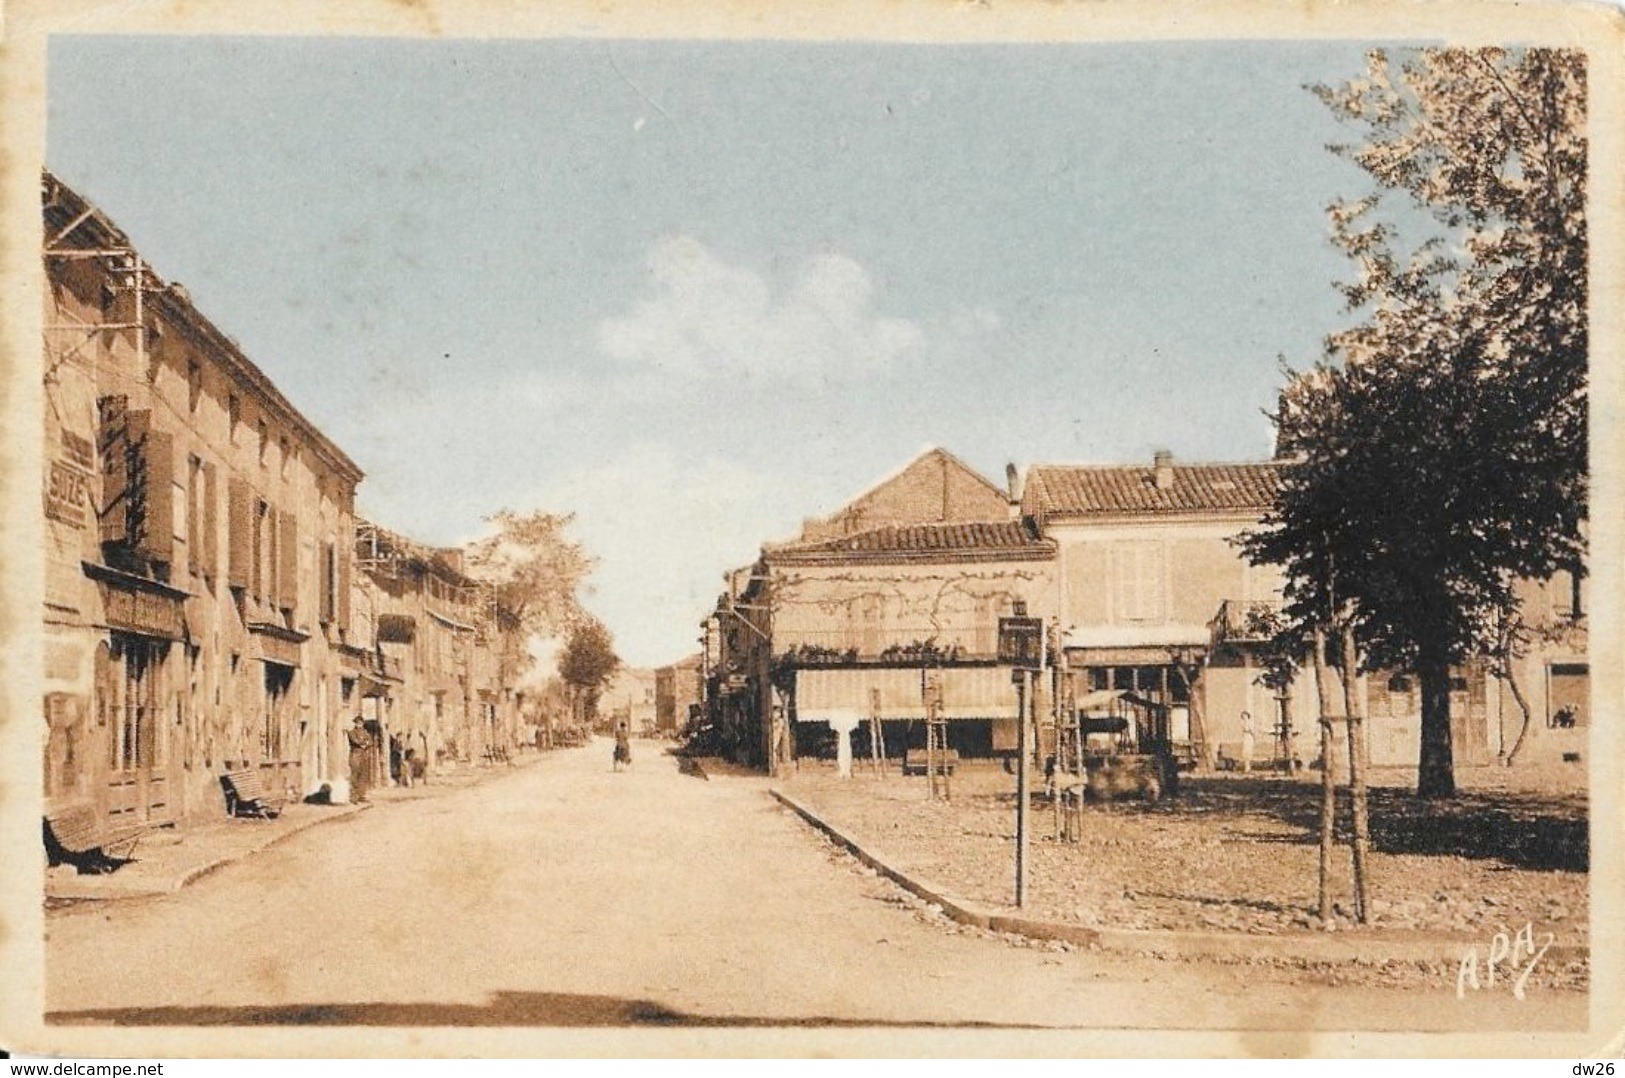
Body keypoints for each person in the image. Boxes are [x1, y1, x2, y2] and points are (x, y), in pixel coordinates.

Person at [347, 716, 373, 803]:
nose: (359, 725)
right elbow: (355, 741)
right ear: (355, 723)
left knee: (363, 776)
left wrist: (365, 744)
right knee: (355, 776)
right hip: (355, 755)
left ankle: (361, 795)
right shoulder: (351, 732)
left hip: (364, 756)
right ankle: (353, 797)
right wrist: (363, 743)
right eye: (357, 723)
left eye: (361, 723)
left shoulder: (365, 733)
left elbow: (370, 741)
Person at [1240, 710, 1255, 774]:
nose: (1244, 717)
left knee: (1249, 752)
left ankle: (1248, 768)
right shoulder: (1242, 723)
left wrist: (1254, 736)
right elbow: (1244, 730)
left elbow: (1252, 731)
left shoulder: (1250, 723)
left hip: (1249, 737)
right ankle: (1246, 767)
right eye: (1243, 716)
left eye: (1245, 716)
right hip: (1245, 737)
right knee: (1245, 752)